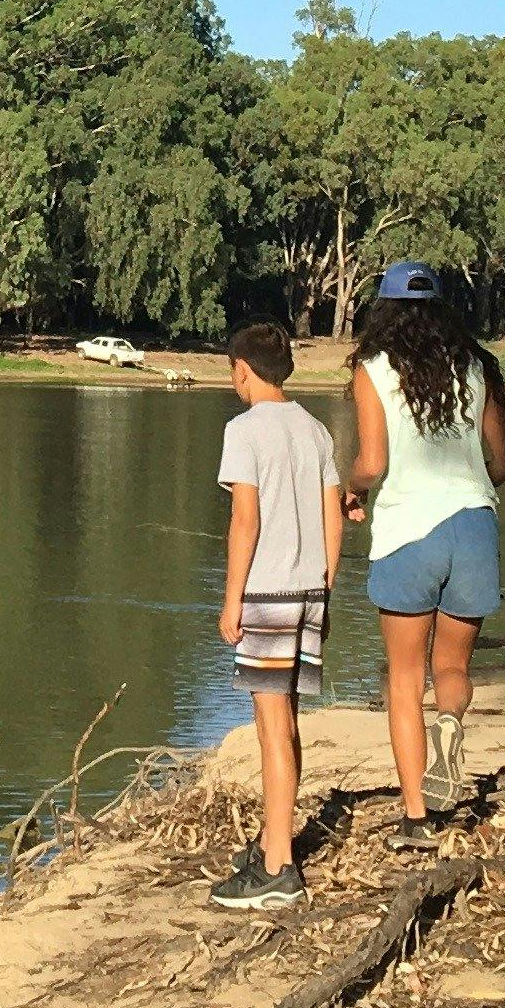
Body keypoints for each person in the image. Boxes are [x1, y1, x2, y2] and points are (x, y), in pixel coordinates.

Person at [347, 259, 505, 833]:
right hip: (473, 525)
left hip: (407, 532)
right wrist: (470, 491)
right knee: (451, 666)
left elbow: (373, 463)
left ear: (384, 310)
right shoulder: (478, 367)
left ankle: (418, 815)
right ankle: (449, 726)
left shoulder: (371, 369)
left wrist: (351, 491)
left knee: (402, 678)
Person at [209, 316, 342, 909]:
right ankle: (275, 837)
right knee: (285, 721)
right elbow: (333, 514)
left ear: (242, 371)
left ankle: (277, 869)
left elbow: (245, 520)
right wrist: (326, 588)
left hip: (266, 593)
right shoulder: (315, 431)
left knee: (269, 731)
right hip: (309, 591)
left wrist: (232, 598)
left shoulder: (245, 430)